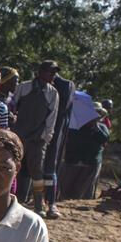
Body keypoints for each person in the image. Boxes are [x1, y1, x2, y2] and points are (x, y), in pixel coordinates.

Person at [11, 60, 60, 217]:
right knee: (14, 168)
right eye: (50, 72)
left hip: (37, 139)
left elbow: (52, 117)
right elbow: (13, 106)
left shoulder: (52, 93)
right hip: (18, 135)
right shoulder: (24, 87)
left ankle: (39, 205)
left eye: (54, 72)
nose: (53, 75)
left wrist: (46, 137)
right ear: (40, 72)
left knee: (37, 172)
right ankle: (13, 201)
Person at [59, 93, 110, 200]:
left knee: (84, 191)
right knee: (66, 189)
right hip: (72, 161)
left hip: (90, 163)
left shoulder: (102, 127)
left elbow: (104, 139)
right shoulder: (76, 125)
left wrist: (95, 126)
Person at [42, 70, 76, 219]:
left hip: (54, 134)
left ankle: (50, 202)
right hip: (39, 133)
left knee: (50, 168)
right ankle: (40, 200)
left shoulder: (65, 86)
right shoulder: (37, 86)